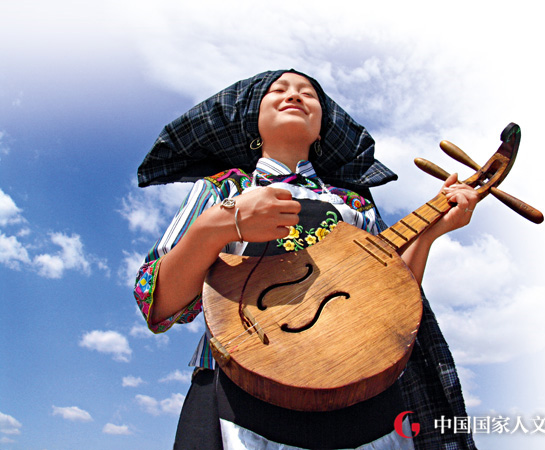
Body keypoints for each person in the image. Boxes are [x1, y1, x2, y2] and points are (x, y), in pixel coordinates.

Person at [134, 69, 479, 450]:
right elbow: (161, 304)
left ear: (320, 132)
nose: (294, 96)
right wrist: (221, 223)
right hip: (238, 391)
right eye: (277, 91)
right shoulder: (226, 188)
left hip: (356, 395)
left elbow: (389, 300)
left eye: (308, 94)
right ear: (254, 122)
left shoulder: (354, 205)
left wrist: (429, 232)